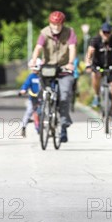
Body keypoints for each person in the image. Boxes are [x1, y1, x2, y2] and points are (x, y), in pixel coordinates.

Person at [28, 11, 76, 143]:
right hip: (48, 68)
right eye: (53, 24)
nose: (56, 27)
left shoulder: (70, 32)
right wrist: (33, 60)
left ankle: (64, 126)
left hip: (64, 68)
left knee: (64, 96)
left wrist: (70, 63)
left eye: (58, 24)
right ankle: (44, 110)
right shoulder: (44, 33)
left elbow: (72, 48)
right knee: (42, 93)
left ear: (62, 24)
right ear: (50, 23)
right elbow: (38, 48)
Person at [85, 22, 112, 125]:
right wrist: (87, 63)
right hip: (98, 66)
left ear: (111, 32)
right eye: (104, 32)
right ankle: (96, 96)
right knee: (95, 75)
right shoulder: (95, 40)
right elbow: (90, 52)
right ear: (100, 32)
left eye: (108, 32)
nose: (106, 34)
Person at [19, 60, 42, 138]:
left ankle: (42, 126)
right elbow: (26, 84)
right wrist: (23, 90)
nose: (33, 70)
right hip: (32, 98)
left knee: (42, 111)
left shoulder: (42, 76)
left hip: (41, 97)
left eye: (35, 68)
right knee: (29, 111)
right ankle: (23, 127)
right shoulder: (31, 76)